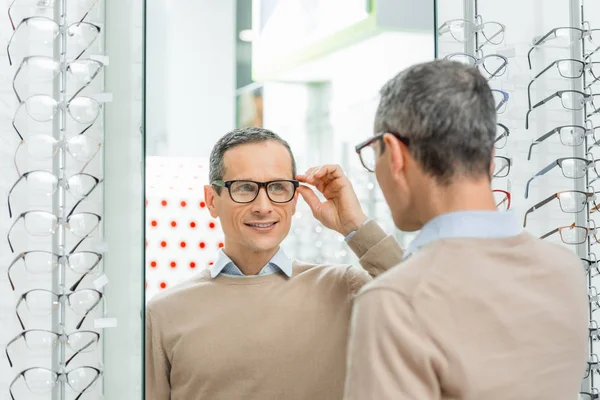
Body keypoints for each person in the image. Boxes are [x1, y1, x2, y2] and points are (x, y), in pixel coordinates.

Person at [322, 60, 587, 399]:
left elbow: (426, 291)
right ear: (489, 157)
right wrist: (357, 229)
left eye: (375, 154)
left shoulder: (392, 304)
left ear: (397, 155)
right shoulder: (564, 270)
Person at [144, 126, 404, 400]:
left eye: (278, 188)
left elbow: (426, 307)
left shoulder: (345, 288)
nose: (263, 206)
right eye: (244, 188)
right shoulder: (163, 314)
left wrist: (355, 226)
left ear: (294, 200)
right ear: (212, 200)